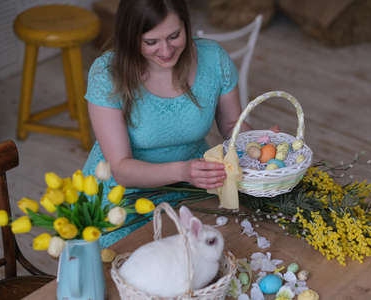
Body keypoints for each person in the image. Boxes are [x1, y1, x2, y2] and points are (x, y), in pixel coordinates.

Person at [82, 0, 252, 248]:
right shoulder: (107, 74)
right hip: (122, 200)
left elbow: (231, 124)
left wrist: (258, 143)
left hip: (191, 188)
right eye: (151, 42)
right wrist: (183, 171)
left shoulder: (213, 59)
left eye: (174, 36)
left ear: (186, 25)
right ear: (130, 38)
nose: (166, 50)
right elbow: (121, 169)